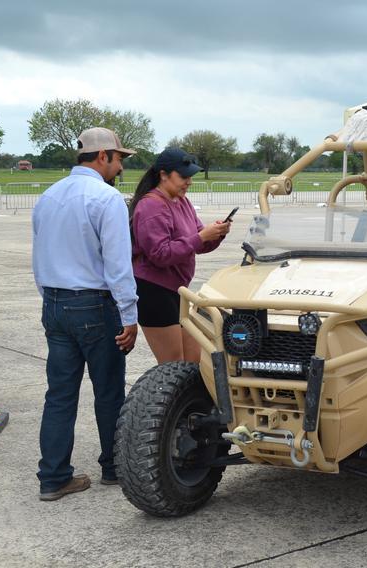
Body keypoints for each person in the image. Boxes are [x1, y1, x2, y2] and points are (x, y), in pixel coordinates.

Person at [32, 127, 139, 501]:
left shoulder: (47, 196)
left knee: (59, 394)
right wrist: (129, 314)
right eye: (119, 158)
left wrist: (50, 298)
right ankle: (113, 466)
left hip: (56, 304)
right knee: (109, 391)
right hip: (94, 304)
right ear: (103, 156)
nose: (121, 165)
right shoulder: (106, 198)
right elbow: (118, 265)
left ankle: (54, 476)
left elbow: (39, 255)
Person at [129, 147, 231, 364]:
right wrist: (201, 236)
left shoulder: (182, 201)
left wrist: (215, 235)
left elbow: (197, 245)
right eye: (184, 177)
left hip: (177, 291)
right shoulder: (151, 206)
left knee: (193, 361)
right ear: (163, 175)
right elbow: (160, 254)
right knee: (173, 364)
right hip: (154, 292)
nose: (189, 182)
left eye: (190, 177)